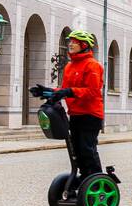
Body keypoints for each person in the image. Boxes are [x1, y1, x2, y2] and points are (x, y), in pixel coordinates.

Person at [31, 30, 106, 186]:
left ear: (84, 45)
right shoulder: (69, 67)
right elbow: (65, 90)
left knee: (87, 149)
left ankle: (97, 182)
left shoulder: (93, 65)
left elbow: (92, 91)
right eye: (70, 41)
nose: (70, 44)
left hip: (91, 115)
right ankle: (86, 179)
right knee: (76, 151)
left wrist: (69, 91)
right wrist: (47, 91)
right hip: (75, 115)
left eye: (74, 41)